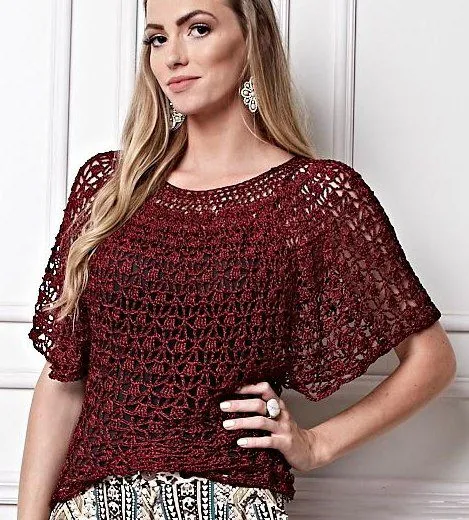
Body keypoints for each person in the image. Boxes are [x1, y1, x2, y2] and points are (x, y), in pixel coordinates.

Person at [18, 0, 456, 519]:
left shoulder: (312, 199)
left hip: (232, 504)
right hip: (94, 506)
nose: (172, 56)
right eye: (157, 38)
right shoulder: (110, 189)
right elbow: (64, 381)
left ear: (251, 41)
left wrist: (318, 444)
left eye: (198, 29)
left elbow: (432, 359)